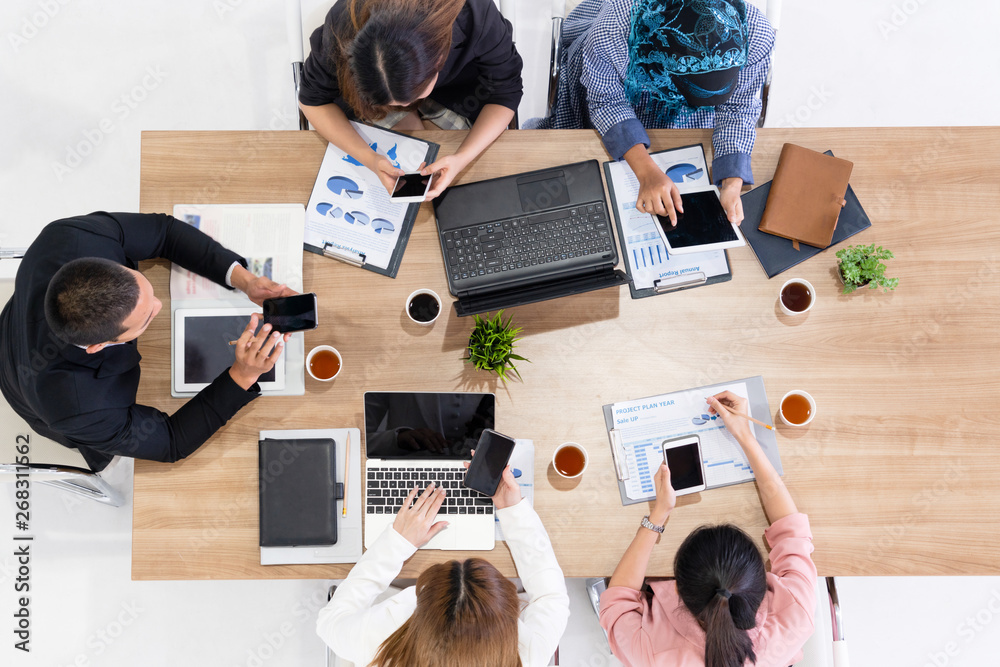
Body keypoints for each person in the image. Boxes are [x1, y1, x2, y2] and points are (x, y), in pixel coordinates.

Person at [0, 212, 295, 471]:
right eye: (146, 317)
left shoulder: (72, 235)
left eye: (148, 293)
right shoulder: (80, 410)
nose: (160, 306)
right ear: (98, 347)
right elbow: (172, 441)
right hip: (24, 388)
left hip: (21, 315)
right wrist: (242, 375)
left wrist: (245, 280)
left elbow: (164, 232)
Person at [599, 390, 816, 667]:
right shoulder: (795, 614)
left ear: (676, 588)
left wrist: (659, 514)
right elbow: (792, 532)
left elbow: (616, 602)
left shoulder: (652, 652)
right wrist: (745, 435)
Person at [528, 0, 775, 226]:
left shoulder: (757, 32)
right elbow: (607, 100)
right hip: (621, 85)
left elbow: (738, 107)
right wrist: (646, 172)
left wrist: (731, 183)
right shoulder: (613, 30)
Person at [317, 464, 570, 666]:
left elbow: (328, 624)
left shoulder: (380, 645)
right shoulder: (525, 656)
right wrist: (512, 509)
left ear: (421, 608)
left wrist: (398, 542)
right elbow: (552, 598)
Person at [299, 0, 523, 200]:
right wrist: (370, 159)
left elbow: (505, 92)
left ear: (440, 59)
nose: (403, 109)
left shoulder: (474, 14)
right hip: (370, 106)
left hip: (461, 95)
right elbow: (312, 100)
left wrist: (461, 160)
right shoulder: (342, 24)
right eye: (396, 105)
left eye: (410, 99)